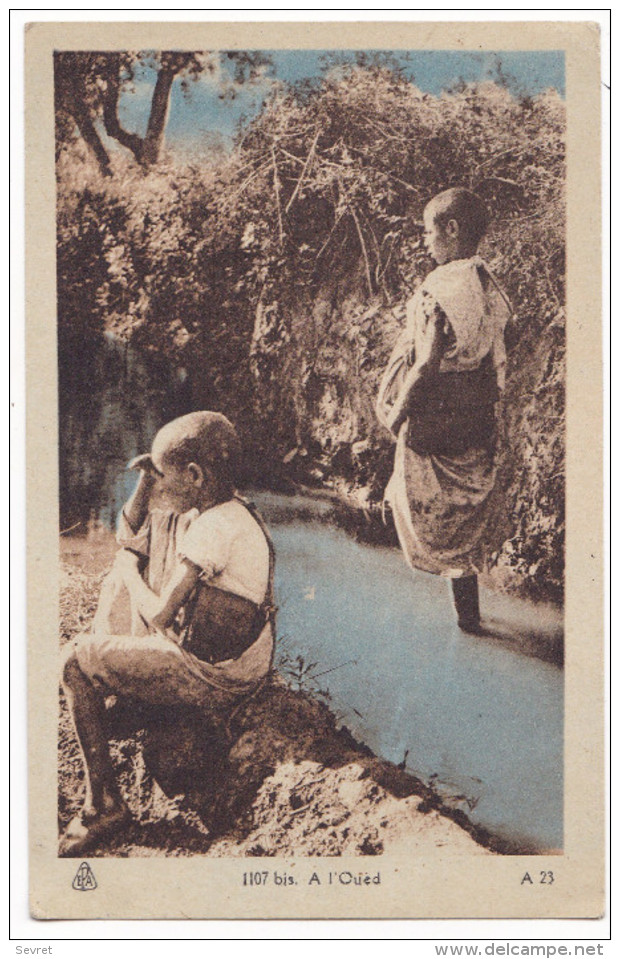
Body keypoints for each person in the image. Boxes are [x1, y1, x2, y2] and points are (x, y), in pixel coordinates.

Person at [59, 411, 276, 856]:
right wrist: (146, 484)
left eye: (165, 475)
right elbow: (136, 533)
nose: (160, 484)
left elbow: (159, 615)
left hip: (214, 677)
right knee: (128, 573)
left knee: (74, 661)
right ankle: (128, 703)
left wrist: (128, 569)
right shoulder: (224, 510)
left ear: (194, 475)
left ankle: (103, 805)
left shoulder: (213, 527)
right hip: (234, 664)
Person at [376, 187, 511, 632]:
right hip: (476, 421)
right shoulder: (484, 282)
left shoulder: (444, 288)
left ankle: (466, 625)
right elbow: (502, 349)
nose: (424, 242)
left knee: (429, 511)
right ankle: (469, 622)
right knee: (464, 525)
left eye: (427, 233)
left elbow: (426, 363)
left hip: (438, 421)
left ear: (451, 230)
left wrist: (396, 415)